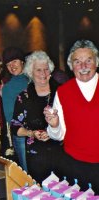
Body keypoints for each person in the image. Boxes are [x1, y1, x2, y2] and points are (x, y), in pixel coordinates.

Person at [44, 39, 99, 192]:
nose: (83, 66)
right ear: (71, 66)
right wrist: (54, 125)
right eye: (77, 61)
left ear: (97, 62)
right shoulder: (63, 92)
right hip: (75, 164)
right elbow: (58, 135)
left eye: (88, 60)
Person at [10, 51, 61, 181]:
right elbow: (15, 126)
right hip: (36, 155)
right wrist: (31, 133)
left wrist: (54, 132)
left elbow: (74, 120)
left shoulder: (62, 92)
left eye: (46, 69)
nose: (43, 74)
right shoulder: (23, 97)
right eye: (38, 70)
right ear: (31, 73)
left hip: (62, 151)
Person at [2, 46, 29, 171]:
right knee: (28, 172)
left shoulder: (35, 79)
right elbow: (9, 117)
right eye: (8, 64)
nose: (12, 66)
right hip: (22, 135)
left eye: (14, 61)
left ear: (22, 61)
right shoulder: (8, 88)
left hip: (43, 131)